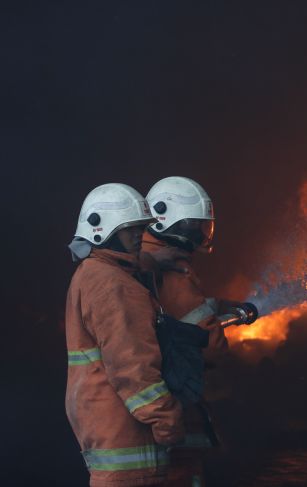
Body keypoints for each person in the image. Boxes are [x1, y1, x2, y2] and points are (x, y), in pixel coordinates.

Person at [66, 183, 184, 487]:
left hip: (104, 422)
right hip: (127, 436)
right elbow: (133, 366)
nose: (138, 237)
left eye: (139, 228)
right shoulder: (114, 286)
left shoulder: (93, 271)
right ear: (102, 230)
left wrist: (155, 260)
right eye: (129, 230)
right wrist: (167, 419)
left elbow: (123, 260)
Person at [142, 176, 237, 487]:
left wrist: (215, 306)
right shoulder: (175, 271)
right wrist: (213, 320)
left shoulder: (143, 260)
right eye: (194, 225)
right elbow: (212, 347)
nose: (199, 234)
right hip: (177, 405)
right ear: (171, 223)